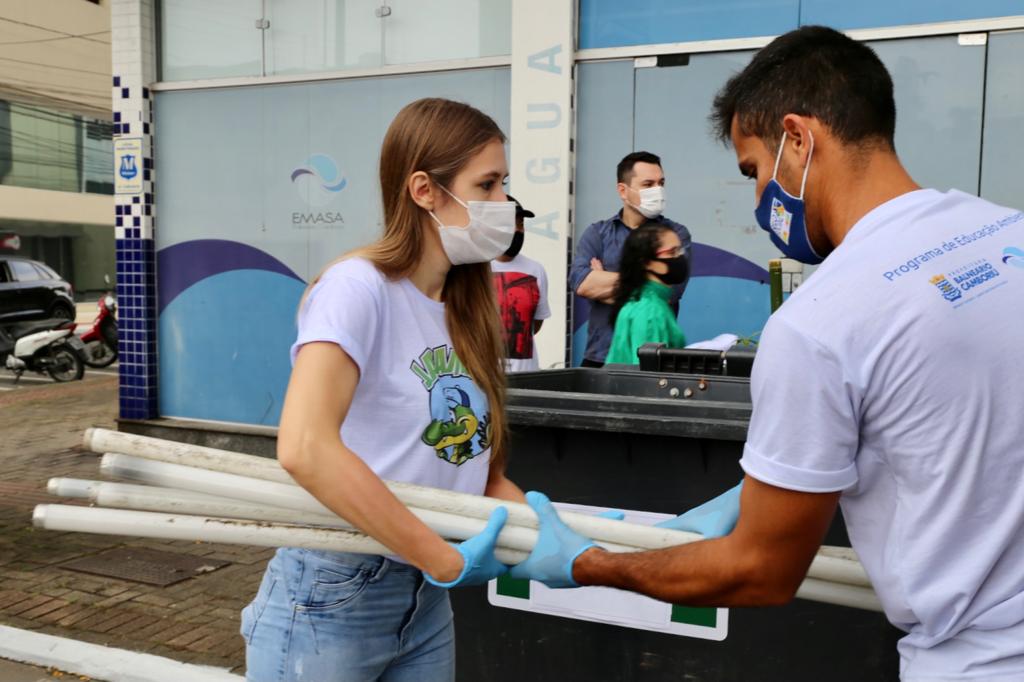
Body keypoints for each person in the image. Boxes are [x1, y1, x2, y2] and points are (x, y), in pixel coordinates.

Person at [510, 26, 1024, 682]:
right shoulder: (1007, 233)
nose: (759, 201)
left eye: (753, 171)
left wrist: (589, 562)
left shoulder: (820, 322)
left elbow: (760, 571)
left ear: (799, 138)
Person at [241, 98, 527, 682]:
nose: (505, 205)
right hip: (335, 590)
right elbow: (305, 447)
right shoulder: (357, 288)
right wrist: (440, 555)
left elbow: (479, 471)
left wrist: (559, 536)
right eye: (488, 184)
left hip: (424, 599)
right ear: (424, 190)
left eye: (504, 185)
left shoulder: (464, 307)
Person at [569, 151, 692, 367]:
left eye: (661, 183)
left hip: (655, 360)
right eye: (648, 184)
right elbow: (581, 283)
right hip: (599, 356)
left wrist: (602, 279)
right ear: (623, 191)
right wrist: (646, 283)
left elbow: (670, 291)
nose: (658, 190)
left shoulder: (674, 235)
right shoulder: (597, 233)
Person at [605, 222, 689, 365]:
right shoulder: (650, 312)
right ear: (646, 262)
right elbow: (648, 378)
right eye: (672, 252)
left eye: (680, 251)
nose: (679, 257)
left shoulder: (643, 300)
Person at [490, 195, 551, 371]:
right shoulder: (473, 268)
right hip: (483, 377)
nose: (518, 230)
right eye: (511, 223)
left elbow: (535, 324)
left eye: (521, 224)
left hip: (525, 378)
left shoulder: (536, 269)